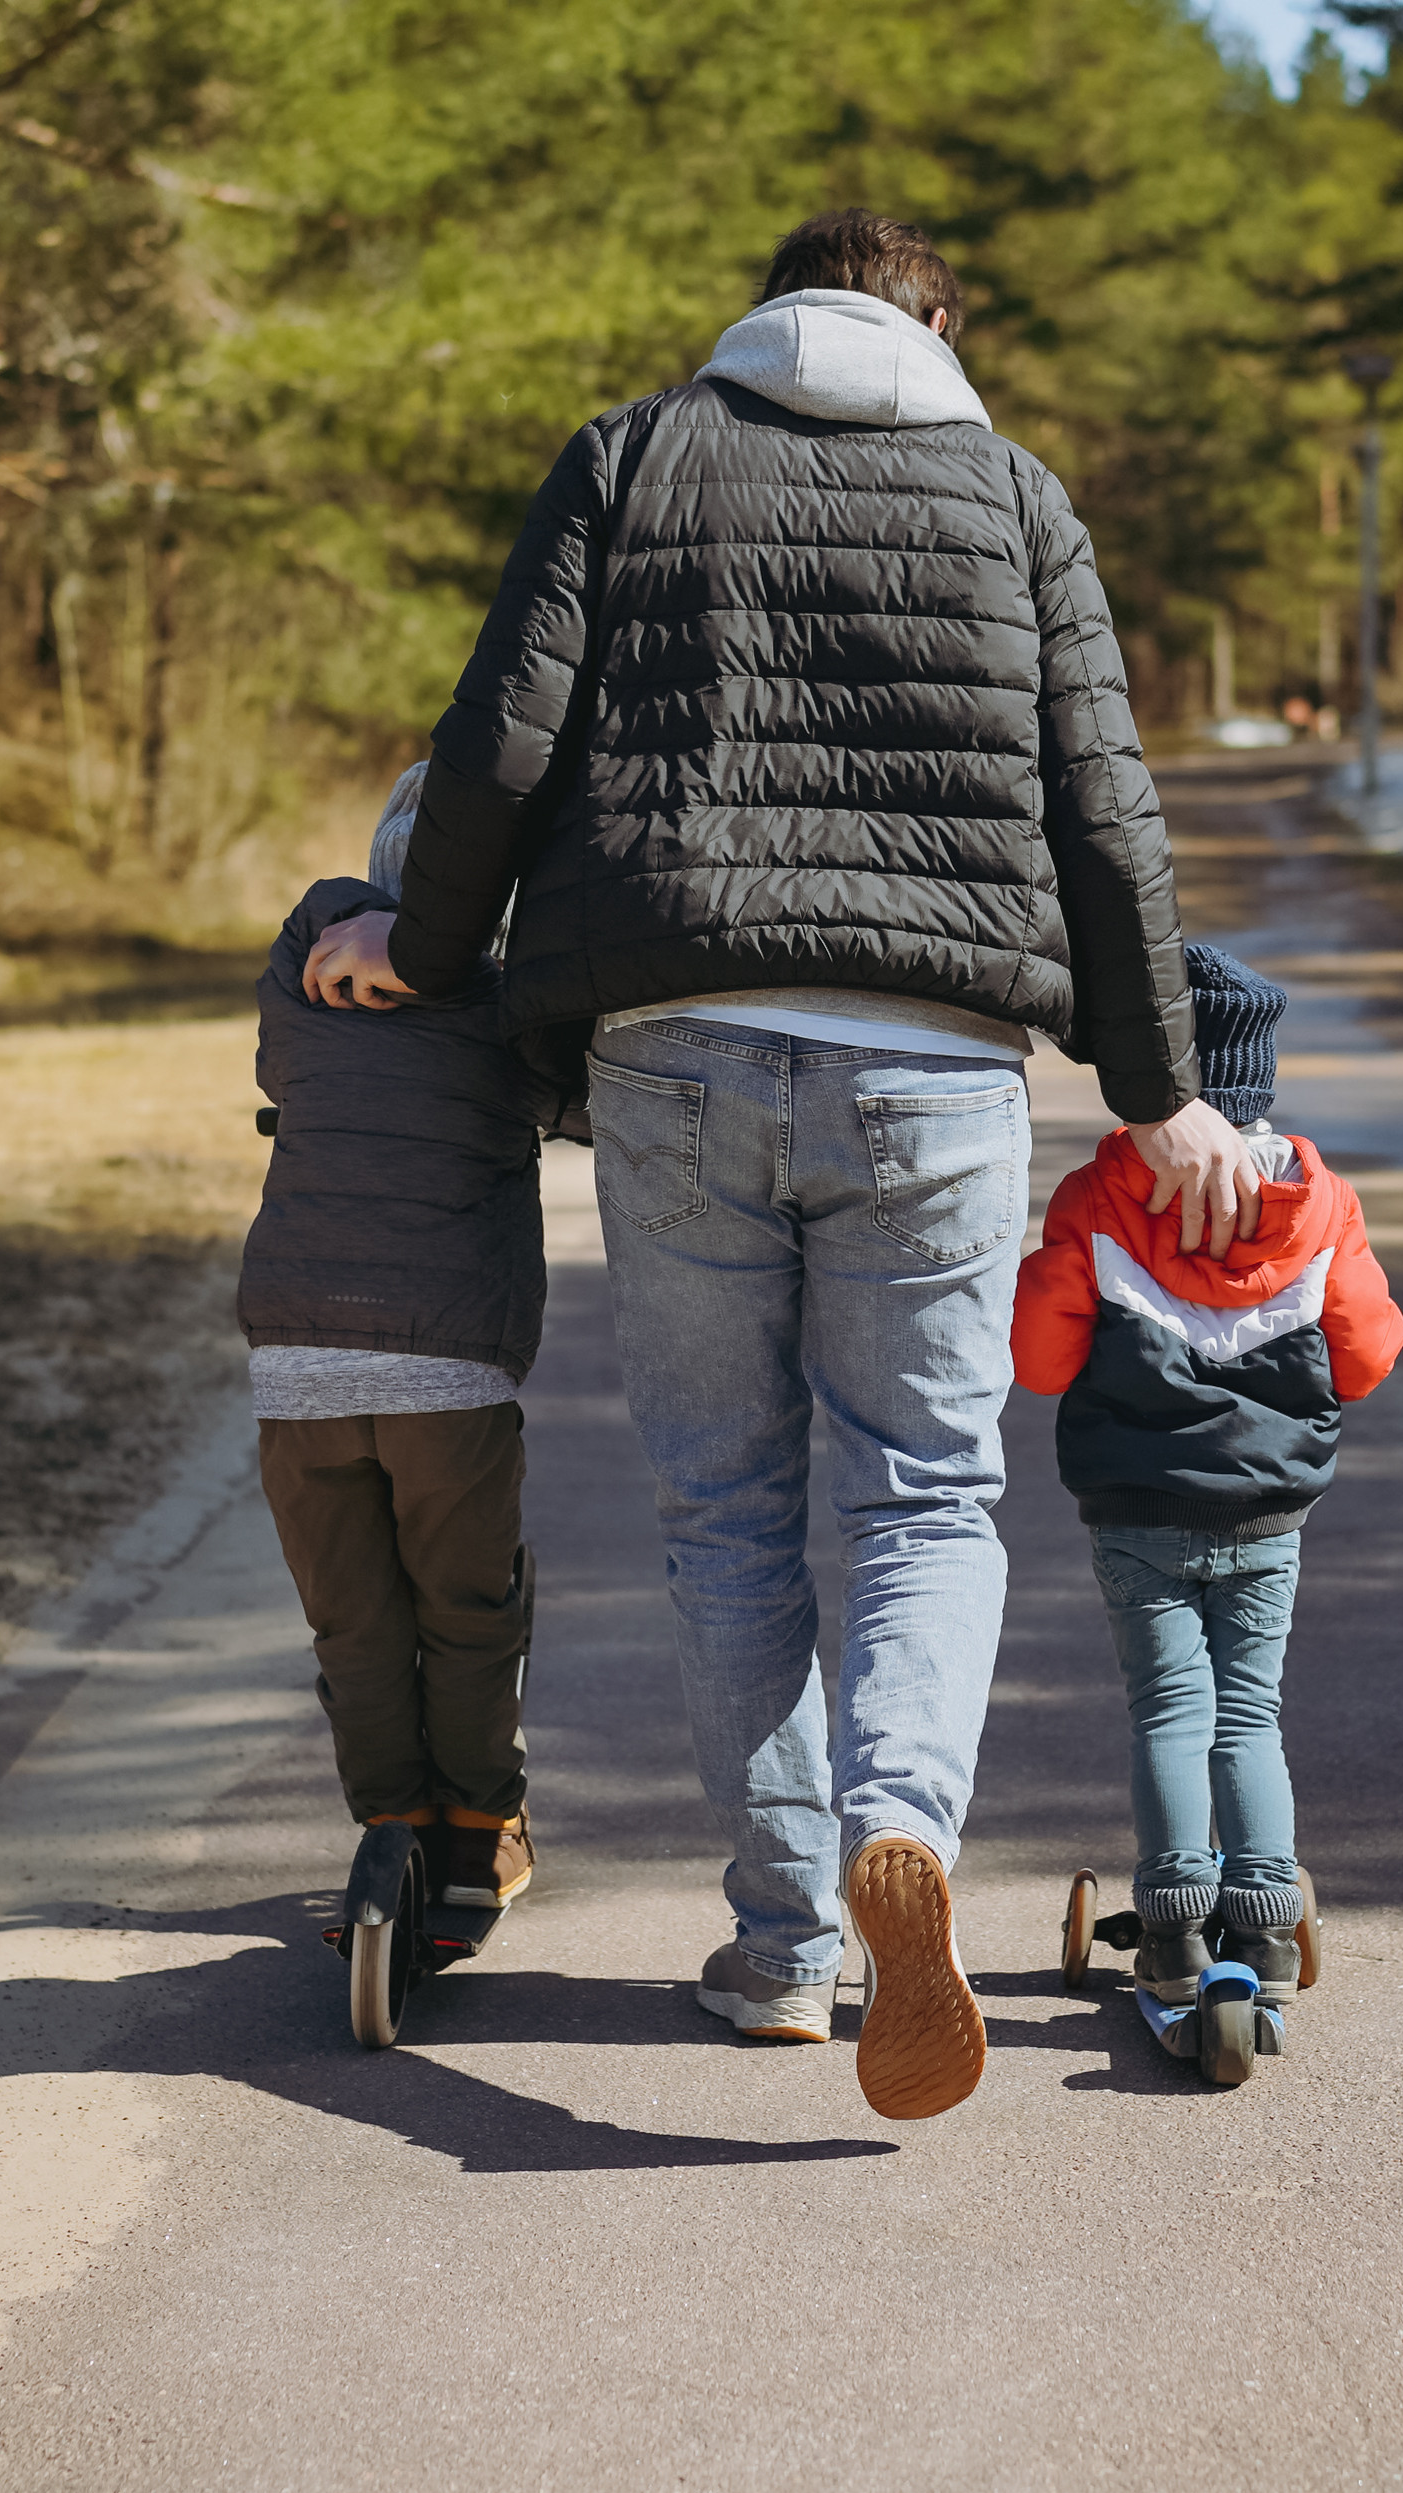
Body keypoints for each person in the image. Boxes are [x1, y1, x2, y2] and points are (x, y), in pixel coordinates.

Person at [298, 209, 1256, 2122]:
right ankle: (903, 1825)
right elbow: (1101, 806)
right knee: (921, 1494)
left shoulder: (634, 452)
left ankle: (787, 1938)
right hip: (940, 1072)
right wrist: (1157, 1087)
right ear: (937, 328)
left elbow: (503, 737)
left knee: (727, 1508)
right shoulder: (1012, 495)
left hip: (669, 1047)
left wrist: (418, 944)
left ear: (759, 312)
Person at [1009, 945, 1403, 2038]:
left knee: (1170, 1710)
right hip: (1265, 1510)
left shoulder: (1098, 1198)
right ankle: (1266, 1918)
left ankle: (1177, 1923)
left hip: (1135, 1507)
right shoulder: (1319, 1205)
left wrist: (1069, 1275)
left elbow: (1040, 1363)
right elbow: (1368, 1359)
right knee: (1249, 1713)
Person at [240, 765, 557, 1934]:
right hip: (448, 1373)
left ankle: (391, 1822)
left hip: (299, 1363)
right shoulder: (517, 1000)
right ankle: (479, 1824)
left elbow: (285, 1068)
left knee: (354, 1620)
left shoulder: (303, 966)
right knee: (466, 1609)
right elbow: (570, 1092)